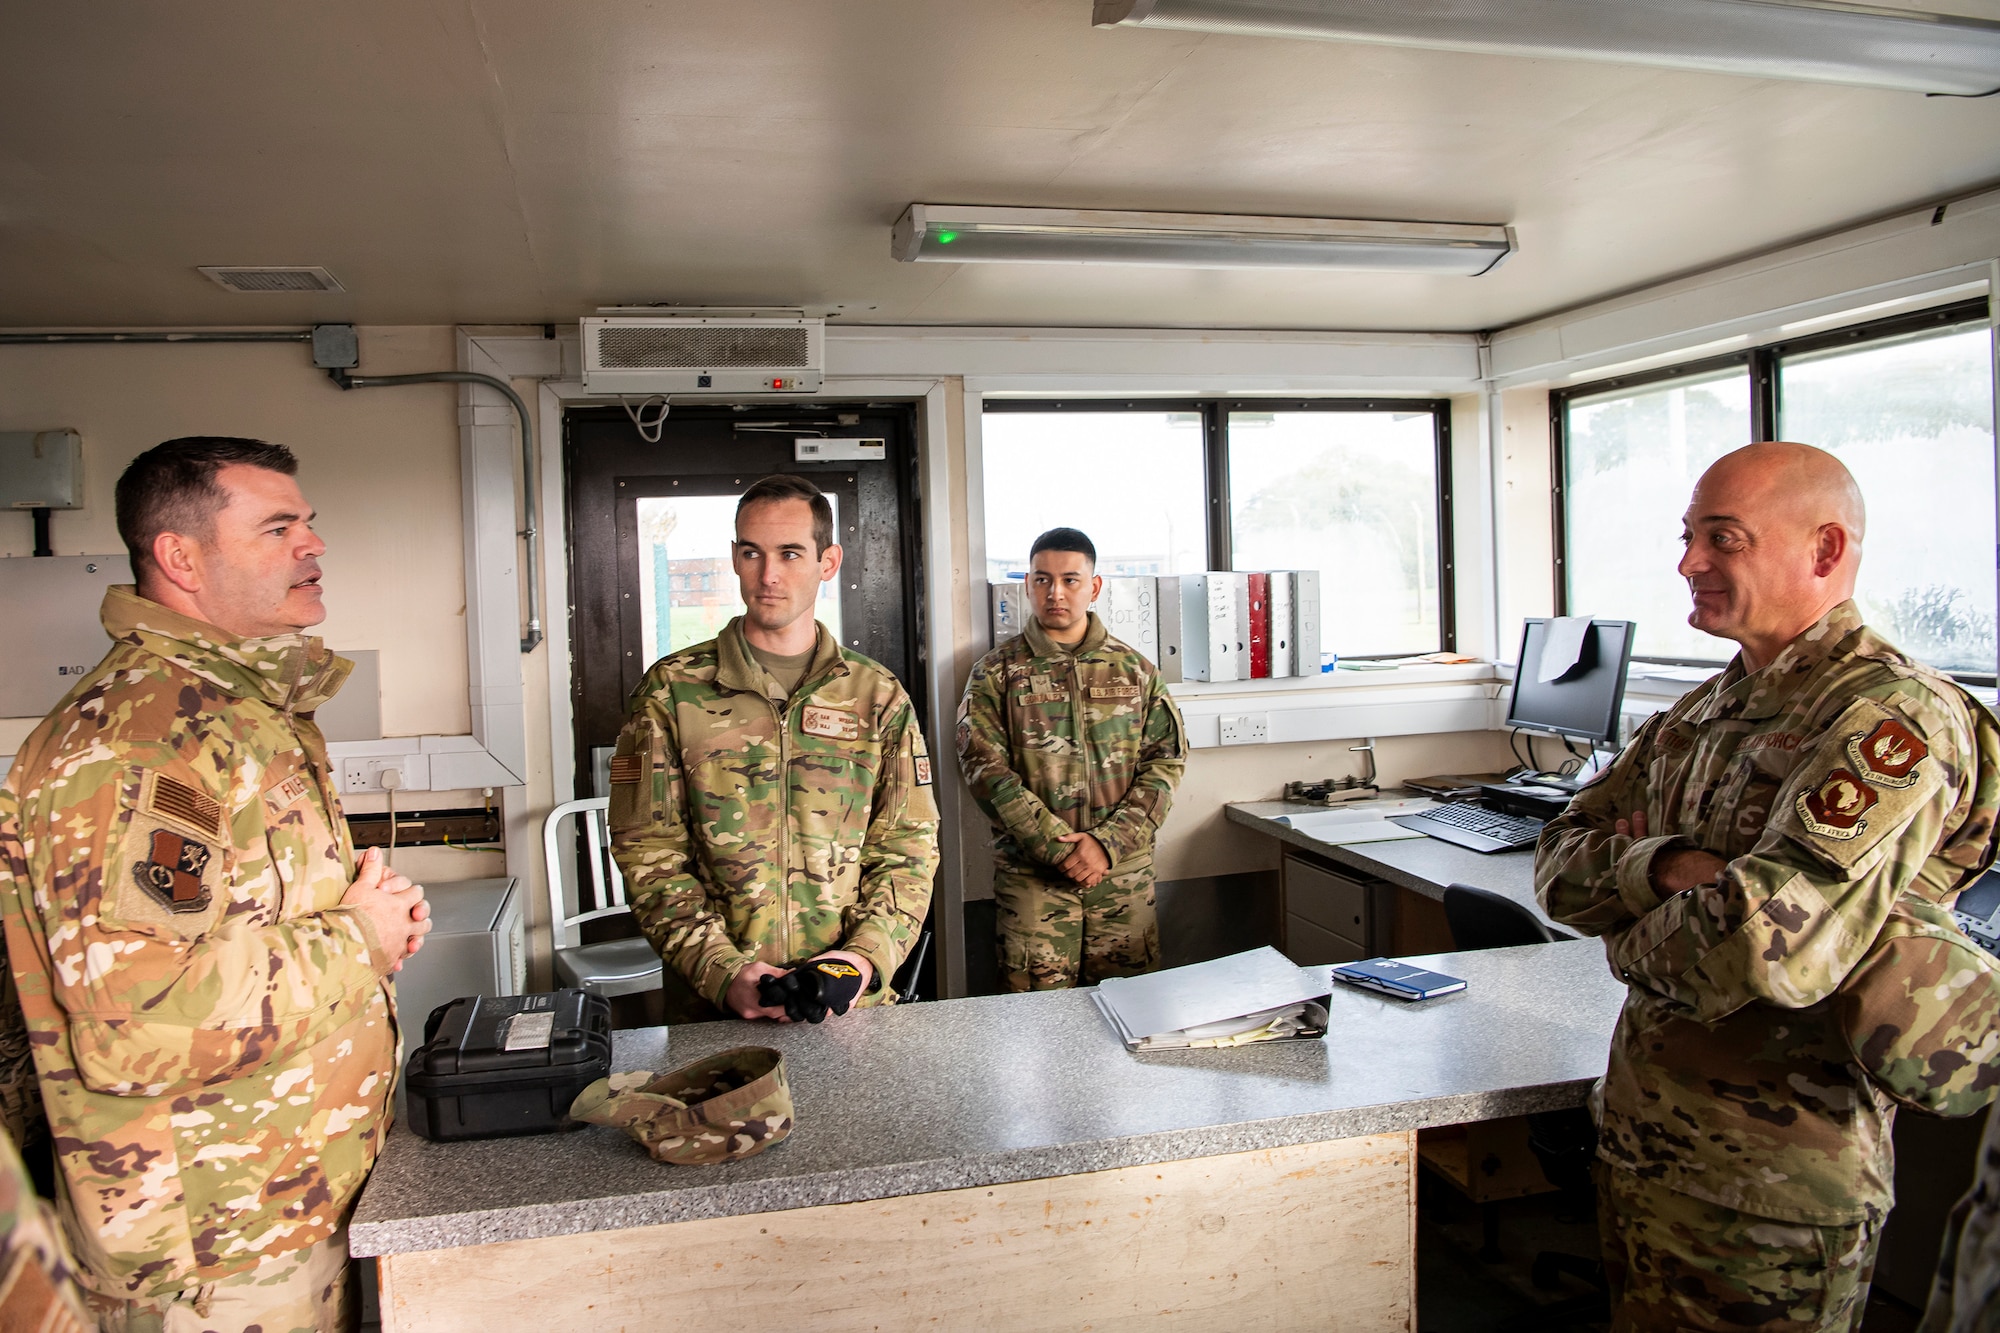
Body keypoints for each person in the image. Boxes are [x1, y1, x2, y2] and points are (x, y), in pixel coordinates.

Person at [1535, 441, 2000, 1331]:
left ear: (1824, 551)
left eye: (1723, 538)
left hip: (1773, 1191)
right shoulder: (1705, 709)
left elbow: (1760, 948)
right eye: (1688, 536)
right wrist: (1669, 868)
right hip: (1646, 1146)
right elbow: (1560, 859)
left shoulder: (1889, 719)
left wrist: (1627, 931)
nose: (1688, 563)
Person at [0, 436, 433, 1329]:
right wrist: (357, 940)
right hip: (214, 1254)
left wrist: (367, 926)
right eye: (278, 528)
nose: (313, 546)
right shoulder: (137, 740)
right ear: (180, 557)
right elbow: (139, 1020)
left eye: (309, 524)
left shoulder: (237, 711)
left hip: (289, 1201)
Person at [608, 473, 938, 1023]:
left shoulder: (876, 696)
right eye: (751, 553)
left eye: (789, 553)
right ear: (734, 558)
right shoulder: (672, 690)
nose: (768, 575)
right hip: (715, 1006)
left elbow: (908, 849)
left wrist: (862, 959)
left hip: (849, 1005)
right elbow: (648, 850)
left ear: (827, 563)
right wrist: (720, 968)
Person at [957, 527, 1186, 991]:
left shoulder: (1135, 670)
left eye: (1070, 580)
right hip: (1034, 881)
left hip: (1121, 876)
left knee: (1133, 1018)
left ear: (1094, 586)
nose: (1055, 593)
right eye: (1042, 580)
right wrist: (1060, 850)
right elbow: (985, 771)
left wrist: (1106, 845)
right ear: (1027, 584)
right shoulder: (996, 673)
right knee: (1033, 1031)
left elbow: (1165, 763)